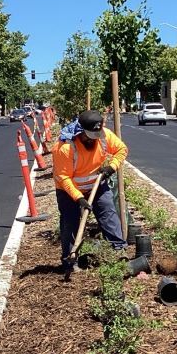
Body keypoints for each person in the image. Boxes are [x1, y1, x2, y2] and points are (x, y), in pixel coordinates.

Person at [52, 110, 129, 274]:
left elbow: (122, 149)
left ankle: (119, 251)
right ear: (80, 131)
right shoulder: (64, 147)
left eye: (96, 134)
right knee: (70, 222)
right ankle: (69, 260)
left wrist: (112, 167)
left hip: (96, 185)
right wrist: (79, 198)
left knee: (108, 212)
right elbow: (63, 177)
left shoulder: (104, 136)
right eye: (89, 136)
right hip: (69, 191)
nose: (93, 139)